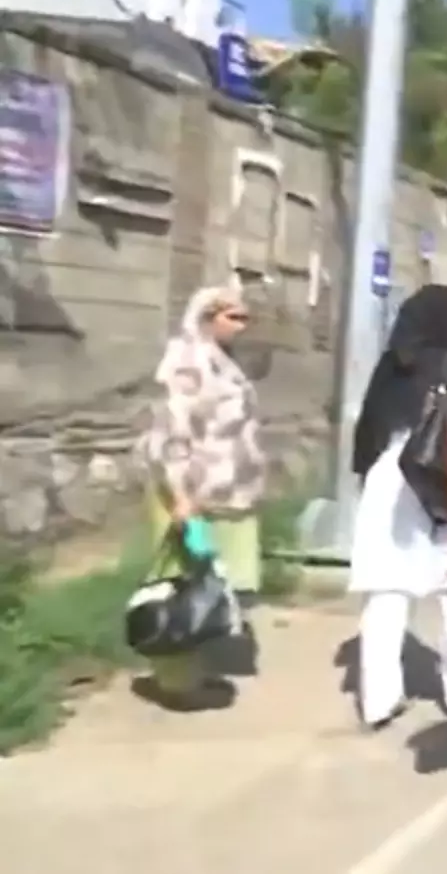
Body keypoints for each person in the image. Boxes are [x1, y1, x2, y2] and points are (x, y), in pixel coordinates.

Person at [347, 284, 447, 730]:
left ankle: (379, 700)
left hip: (386, 479)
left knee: (386, 591)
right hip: (434, 481)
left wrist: (366, 484)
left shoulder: (390, 366)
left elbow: (367, 433)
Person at [137, 284, 267, 711]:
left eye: (245, 317)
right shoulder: (187, 362)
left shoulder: (221, 360)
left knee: (207, 587)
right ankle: (175, 684)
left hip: (223, 494)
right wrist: (181, 496)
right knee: (179, 587)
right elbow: (173, 434)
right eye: (233, 317)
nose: (242, 326)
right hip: (191, 494)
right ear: (207, 316)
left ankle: (192, 672)